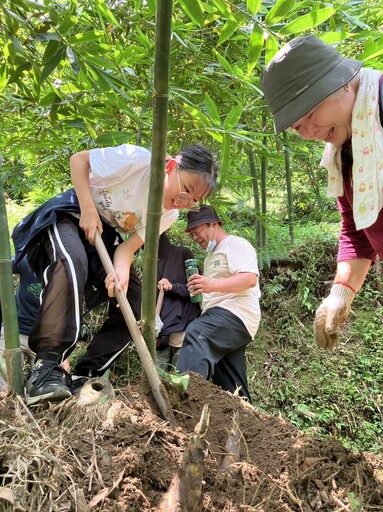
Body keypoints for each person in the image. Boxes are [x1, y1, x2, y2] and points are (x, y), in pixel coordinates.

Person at [12, 143, 218, 405]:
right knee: (72, 262)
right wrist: (87, 209)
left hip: (105, 237)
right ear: (170, 167)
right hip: (71, 213)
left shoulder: (169, 215)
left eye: (193, 201)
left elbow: (126, 250)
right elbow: (79, 161)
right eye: (186, 189)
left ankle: (86, 373)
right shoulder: (139, 160)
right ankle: (47, 368)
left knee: (133, 301)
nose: (184, 201)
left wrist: (120, 273)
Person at [261, 34, 383, 349]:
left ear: (341, 81)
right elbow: (358, 230)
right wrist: (340, 294)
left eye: (311, 112)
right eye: (298, 127)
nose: (311, 131)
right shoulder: (345, 151)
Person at [176, 205, 261, 402]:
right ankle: (242, 424)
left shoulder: (236, 244)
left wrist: (211, 284)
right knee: (230, 387)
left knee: (198, 333)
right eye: (191, 234)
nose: (195, 238)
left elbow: (249, 279)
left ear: (213, 224)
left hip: (235, 313)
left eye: (197, 231)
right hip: (225, 321)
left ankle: (185, 399)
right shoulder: (211, 257)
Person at [155, 232, 201, 371]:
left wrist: (172, 286)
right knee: (157, 377)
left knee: (180, 376)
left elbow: (196, 290)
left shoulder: (183, 254)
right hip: (161, 328)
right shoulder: (151, 262)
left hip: (183, 325)